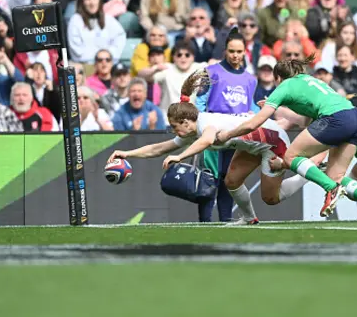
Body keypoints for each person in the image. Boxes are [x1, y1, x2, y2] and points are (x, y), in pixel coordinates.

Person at [108, 71, 312, 225]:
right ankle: (250, 219)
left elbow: (205, 141)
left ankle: (306, 174)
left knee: (271, 198)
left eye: (175, 126)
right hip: (252, 144)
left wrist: (179, 157)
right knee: (231, 181)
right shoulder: (192, 129)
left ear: (187, 122)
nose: (173, 131)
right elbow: (160, 148)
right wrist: (128, 153)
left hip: (274, 140)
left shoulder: (204, 123)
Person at [215, 53, 357, 220]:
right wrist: (281, 111)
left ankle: (331, 189)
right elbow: (308, 122)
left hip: (337, 119)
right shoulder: (310, 81)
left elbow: (254, 123)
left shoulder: (285, 85)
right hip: (355, 118)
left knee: (291, 156)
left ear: (278, 78)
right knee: (335, 176)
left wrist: (227, 135)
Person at [195, 30, 258, 222]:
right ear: (225, 50)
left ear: (245, 52)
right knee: (209, 179)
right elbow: (200, 102)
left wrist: (256, 113)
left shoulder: (250, 79)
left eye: (239, 51)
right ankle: (205, 223)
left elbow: (251, 106)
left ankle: (225, 221)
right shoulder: (211, 72)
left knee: (229, 180)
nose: (235, 55)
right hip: (213, 134)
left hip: (235, 135)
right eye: (231, 51)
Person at [67, 0, 127, 64]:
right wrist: (97, 58)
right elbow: (76, 50)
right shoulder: (75, 20)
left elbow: (120, 37)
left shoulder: (108, 19)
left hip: (107, 64)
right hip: (85, 65)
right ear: (82, 2)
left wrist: (109, 54)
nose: (92, 3)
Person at [153, 43, 207, 114]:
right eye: (179, 55)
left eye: (187, 55)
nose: (183, 57)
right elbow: (142, 75)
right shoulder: (166, 68)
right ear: (173, 57)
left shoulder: (200, 68)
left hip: (192, 119)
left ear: (193, 57)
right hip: (168, 119)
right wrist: (154, 69)